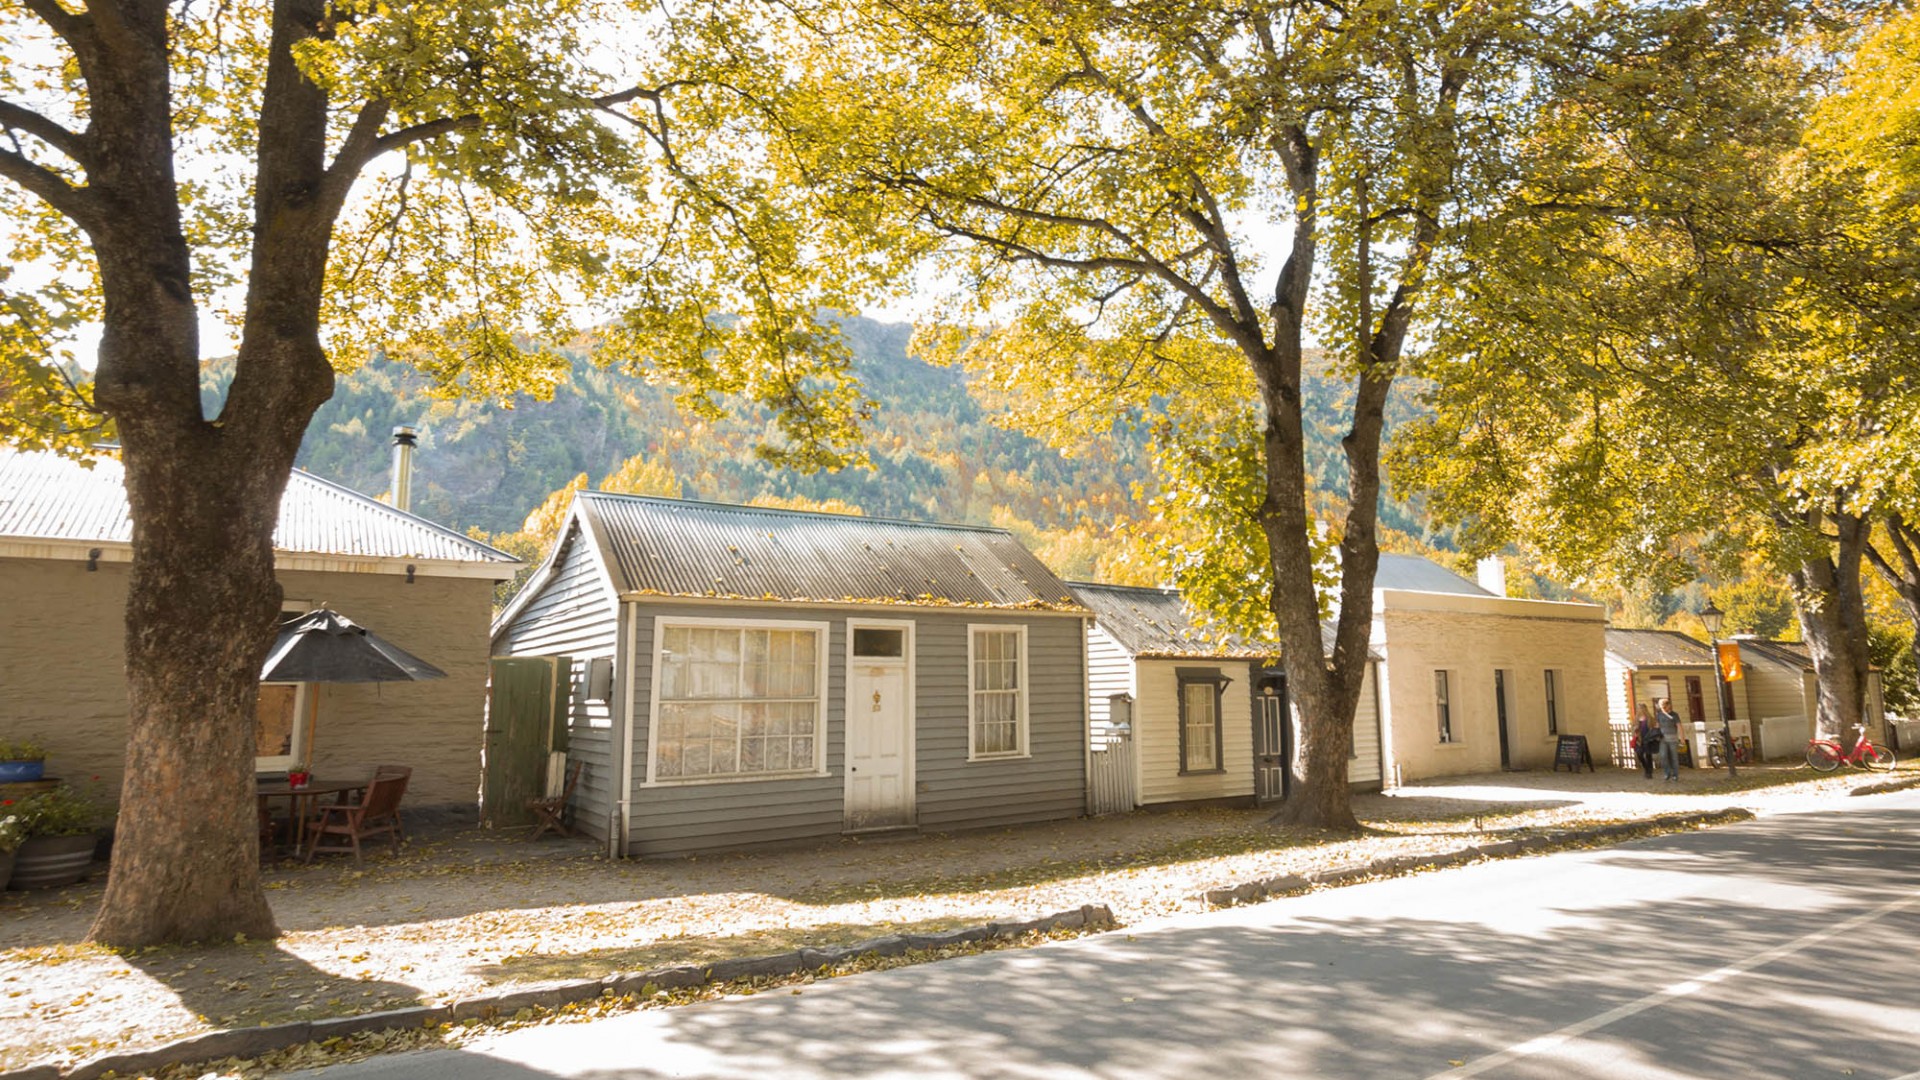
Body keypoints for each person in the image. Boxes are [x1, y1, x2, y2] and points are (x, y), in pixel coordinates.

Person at [1653, 696, 1683, 781]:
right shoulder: (1659, 715)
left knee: (1674, 757)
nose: (1664, 709)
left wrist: (1682, 738)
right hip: (1663, 739)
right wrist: (1655, 733)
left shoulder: (1674, 715)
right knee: (1663, 756)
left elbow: (1679, 726)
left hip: (1673, 739)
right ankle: (1667, 772)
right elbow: (1658, 726)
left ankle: (1675, 774)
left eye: (1665, 707)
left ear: (1669, 705)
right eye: (1662, 707)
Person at [1632, 702, 1659, 779]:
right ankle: (1646, 768)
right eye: (1639, 709)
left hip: (1648, 739)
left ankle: (1649, 771)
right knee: (1639, 754)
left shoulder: (1650, 718)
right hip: (1639, 739)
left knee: (1648, 755)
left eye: (1641, 708)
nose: (1640, 710)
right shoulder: (1636, 719)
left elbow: (1655, 727)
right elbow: (1633, 728)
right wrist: (1635, 730)